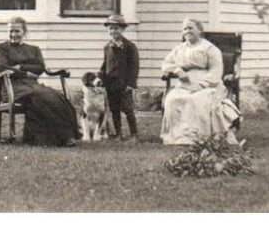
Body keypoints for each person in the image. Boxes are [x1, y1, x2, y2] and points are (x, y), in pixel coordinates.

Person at [0, 16, 80, 146]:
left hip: (32, 85)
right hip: (12, 87)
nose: (13, 34)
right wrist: (26, 73)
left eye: (17, 31)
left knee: (53, 97)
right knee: (42, 96)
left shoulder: (34, 49)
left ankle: (47, 138)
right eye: (10, 31)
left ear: (24, 32)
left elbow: (40, 68)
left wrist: (21, 67)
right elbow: (2, 67)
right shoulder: (2, 48)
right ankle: (66, 136)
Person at [159, 18, 240, 146]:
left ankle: (199, 137)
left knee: (197, 100)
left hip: (208, 84)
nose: (187, 31)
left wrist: (202, 84)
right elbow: (166, 63)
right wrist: (178, 70)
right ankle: (178, 136)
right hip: (184, 84)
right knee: (173, 99)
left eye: (190, 28)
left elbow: (216, 70)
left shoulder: (209, 48)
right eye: (185, 29)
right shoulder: (179, 49)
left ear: (200, 30)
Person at [99, 13, 141, 140]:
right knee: (114, 109)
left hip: (124, 84)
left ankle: (134, 134)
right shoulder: (107, 47)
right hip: (111, 84)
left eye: (116, 28)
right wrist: (100, 77)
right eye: (111, 28)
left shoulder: (129, 46)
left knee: (128, 109)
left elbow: (134, 67)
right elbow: (105, 65)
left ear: (122, 29)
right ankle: (118, 133)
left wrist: (131, 84)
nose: (113, 31)